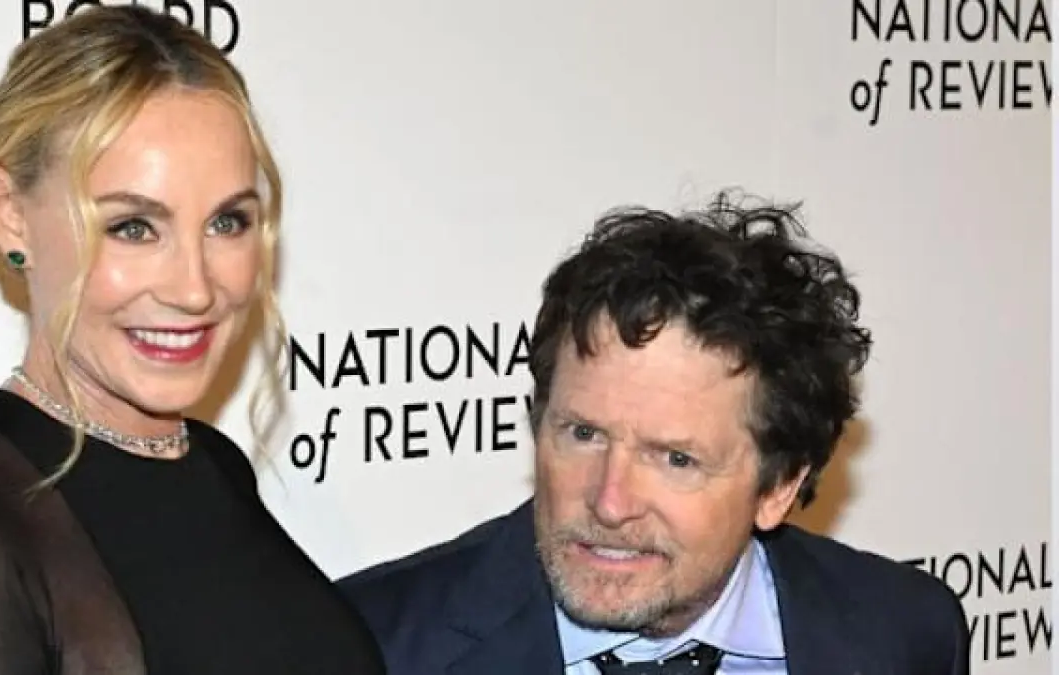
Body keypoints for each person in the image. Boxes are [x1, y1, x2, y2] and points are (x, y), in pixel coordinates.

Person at [0, 6, 386, 674]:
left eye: (227, 221)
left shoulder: (212, 462)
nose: (195, 289)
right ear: (10, 216)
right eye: (134, 228)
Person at [339, 192, 970, 674]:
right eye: (584, 434)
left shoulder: (903, 634)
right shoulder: (366, 648)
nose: (610, 503)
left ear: (779, 487)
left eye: (675, 459)